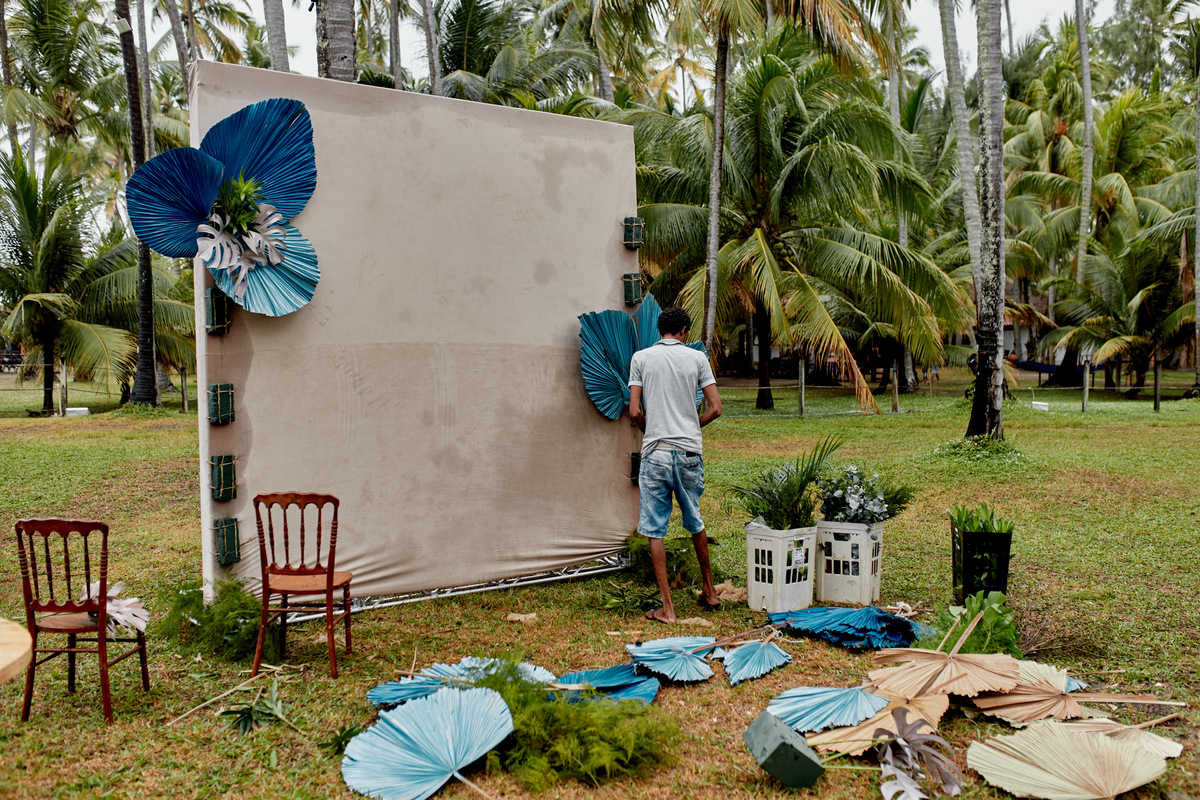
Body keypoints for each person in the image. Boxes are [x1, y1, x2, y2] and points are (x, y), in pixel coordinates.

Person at [628, 307, 722, 624]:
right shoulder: (696, 359)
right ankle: (709, 592)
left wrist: (651, 433)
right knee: (694, 519)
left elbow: (634, 411)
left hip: (655, 452)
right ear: (684, 330)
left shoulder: (641, 358)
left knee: (655, 529)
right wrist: (693, 427)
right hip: (688, 453)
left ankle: (667, 609)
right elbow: (716, 408)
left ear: (660, 331)